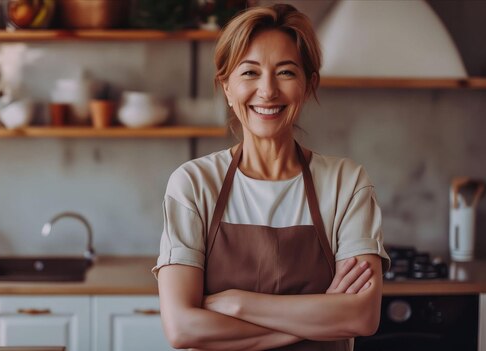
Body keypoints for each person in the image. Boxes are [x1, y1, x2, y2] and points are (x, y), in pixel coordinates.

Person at [152, 4, 390, 351]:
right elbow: (183, 328)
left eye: (286, 72)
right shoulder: (194, 184)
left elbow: (361, 317)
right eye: (249, 73)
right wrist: (317, 322)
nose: (267, 91)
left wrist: (237, 304)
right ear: (227, 88)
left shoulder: (345, 183)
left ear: (308, 86)